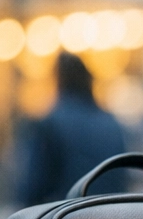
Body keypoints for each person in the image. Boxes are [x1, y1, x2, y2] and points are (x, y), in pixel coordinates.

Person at [17, 52, 126, 206]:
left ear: (59, 79)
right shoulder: (111, 122)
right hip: (112, 218)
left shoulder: (51, 123)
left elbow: (33, 188)